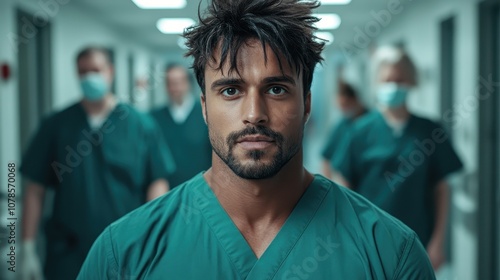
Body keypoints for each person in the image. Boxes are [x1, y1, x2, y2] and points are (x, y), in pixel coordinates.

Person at [78, 1, 435, 279]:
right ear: (204, 106)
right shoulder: (123, 253)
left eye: (276, 89)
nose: (254, 113)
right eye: (231, 90)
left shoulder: (390, 254)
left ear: (307, 102)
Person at [20, 46, 175, 280]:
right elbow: (34, 189)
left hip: (126, 248)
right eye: (82, 72)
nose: (89, 77)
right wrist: (25, 246)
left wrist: (154, 237)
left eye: (96, 70)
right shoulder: (56, 125)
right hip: (68, 253)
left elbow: (157, 182)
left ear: (110, 72)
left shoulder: (141, 125)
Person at [332, 45, 463, 271]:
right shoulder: (360, 131)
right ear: (376, 83)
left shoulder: (429, 131)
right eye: (387, 80)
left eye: (400, 79)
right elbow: (343, 184)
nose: (393, 86)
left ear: (411, 81)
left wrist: (439, 241)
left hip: (418, 239)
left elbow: (442, 188)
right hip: (368, 239)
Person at [150, 63, 211, 188]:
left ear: (188, 83)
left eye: (179, 82)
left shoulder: (206, 114)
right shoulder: (154, 118)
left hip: (201, 188)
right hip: (166, 191)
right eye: (170, 83)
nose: (175, 87)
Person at [321, 80, 367, 179]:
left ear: (354, 99)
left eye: (345, 105)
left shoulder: (372, 123)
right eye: (341, 107)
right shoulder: (342, 125)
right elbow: (326, 158)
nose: (343, 110)